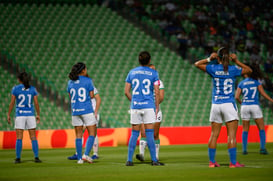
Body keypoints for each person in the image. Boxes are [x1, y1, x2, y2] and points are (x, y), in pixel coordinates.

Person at [194, 47, 252, 168]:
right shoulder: (233, 69)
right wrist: (236, 61)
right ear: (228, 57)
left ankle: (212, 162)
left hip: (216, 105)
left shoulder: (213, 68)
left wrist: (209, 58)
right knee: (231, 135)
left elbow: (197, 64)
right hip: (229, 104)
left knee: (214, 135)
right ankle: (233, 163)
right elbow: (249, 70)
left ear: (218, 57)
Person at [125, 51, 164, 166]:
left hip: (136, 106)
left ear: (139, 60)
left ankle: (129, 160)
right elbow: (157, 92)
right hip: (148, 106)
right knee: (150, 133)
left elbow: (126, 92)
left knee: (134, 133)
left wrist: (134, 102)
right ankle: (154, 160)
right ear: (149, 61)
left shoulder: (132, 72)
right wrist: (156, 107)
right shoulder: (154, 73)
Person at [235, 63, 273, 155]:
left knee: (245, 129)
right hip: (255, 105)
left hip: (245, 106)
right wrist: (271, 100)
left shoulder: (241, 83)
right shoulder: (256, 82)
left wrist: (242, 103)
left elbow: (236, 97)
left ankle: (244, 150)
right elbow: (263, 94)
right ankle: (262, 149)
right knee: (261, 128)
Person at [7, 72, 42, 163]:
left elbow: (12, 103)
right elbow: (36, 103)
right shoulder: (33, 89)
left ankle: (18, 158)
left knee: (19, 137)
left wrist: (8, 114)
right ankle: (36, 157)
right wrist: (38, 114)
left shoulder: (15, 89)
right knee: (33, 137)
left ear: (19, 80)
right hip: (30, 114)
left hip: (20, 114)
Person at [67, 62, 98, 164]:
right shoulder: (88, 80)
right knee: (92, 133)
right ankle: (86, 154)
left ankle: (79, 159)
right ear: (83, 70)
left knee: (78, 135)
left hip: (75, 110)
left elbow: (70, 96)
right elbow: (92, 95)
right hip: (87, 110)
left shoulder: (70, 82)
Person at [136, 64, 164, 161]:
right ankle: (141, 154)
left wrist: (152, 104)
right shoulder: (143, 82)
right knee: (143, 133)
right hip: (145, 110)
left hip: (156, 111)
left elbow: (161, 97)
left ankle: (155, 156)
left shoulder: (159, 82)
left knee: (155, 134)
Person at [68, 85, 101, 160]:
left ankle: (94, 153)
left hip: (91, 113)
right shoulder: (80, 87)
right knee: (83, 132)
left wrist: (95, 111)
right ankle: (79, 153)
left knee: (92, 132)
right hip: (84, 112)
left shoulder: (91, 87)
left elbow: (98, 99)